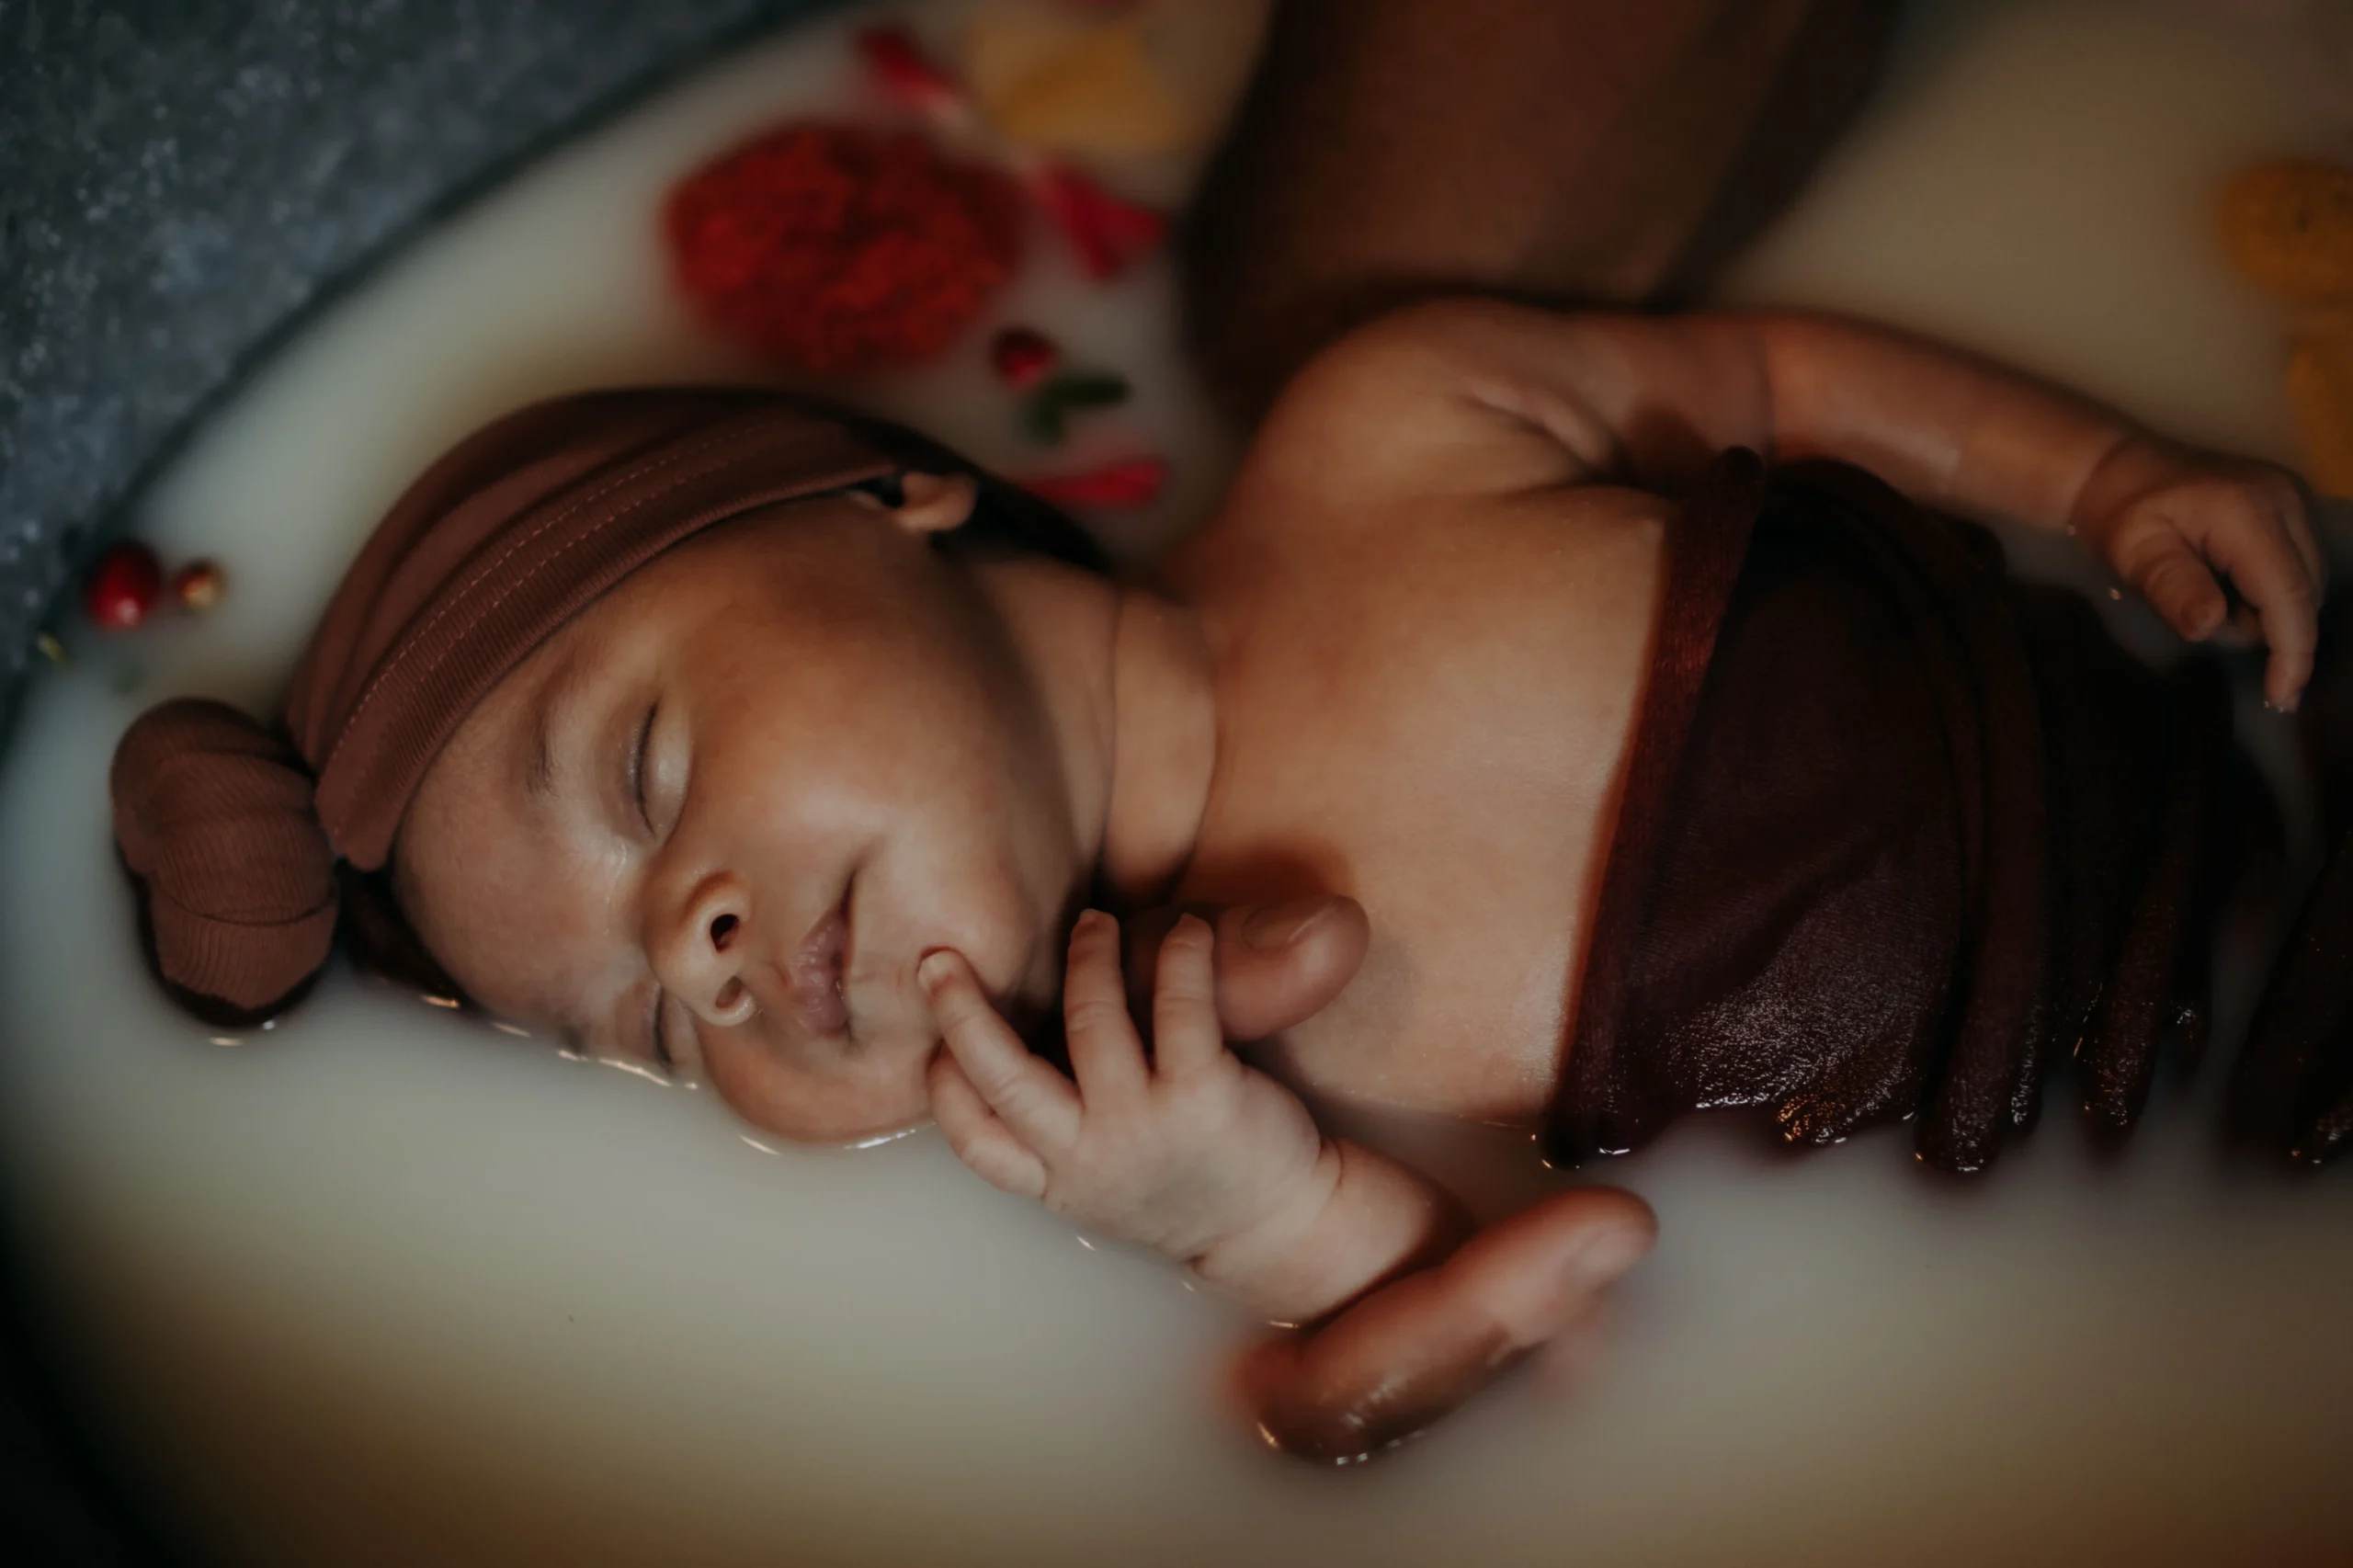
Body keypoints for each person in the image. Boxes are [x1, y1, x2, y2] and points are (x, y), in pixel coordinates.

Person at [109, 292, 2344, 1460]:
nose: (699, 953)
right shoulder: (1189, 1066)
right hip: (2243, 1195)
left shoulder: (1388, 430)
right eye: (644, 1027)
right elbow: (1601, 1314)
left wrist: (2107, 467)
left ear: (886, 494)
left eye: (648, 766)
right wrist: (1241, 1216)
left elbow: (1760, 369)